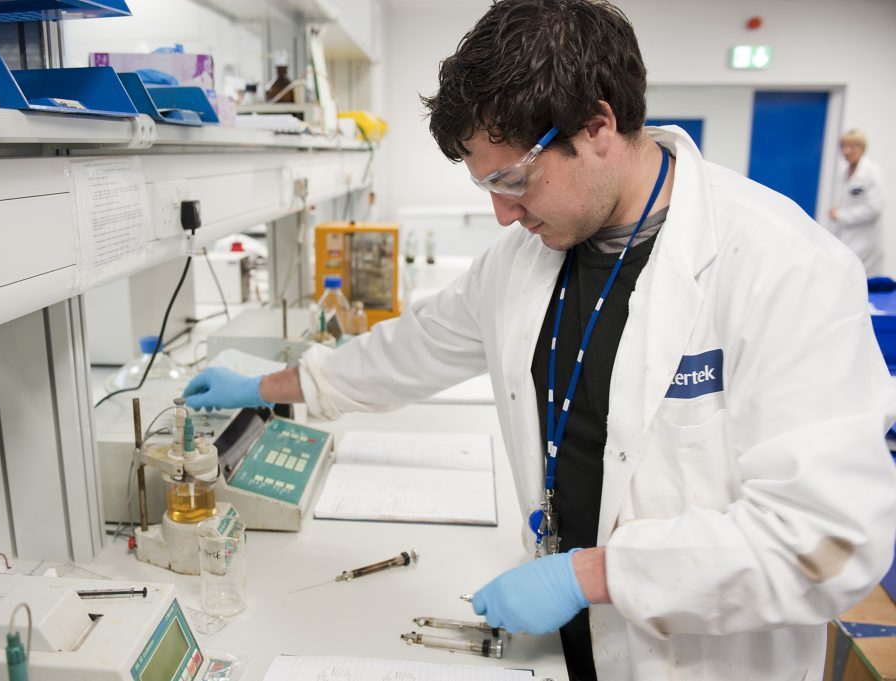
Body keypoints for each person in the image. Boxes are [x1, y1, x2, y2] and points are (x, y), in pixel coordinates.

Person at [183, 1, 896, 678]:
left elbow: (827, 538)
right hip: (565, 641)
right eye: (485, 186)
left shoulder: (783, 267)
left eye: (514, 179)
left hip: (699, 656)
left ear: (597, 125)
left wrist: (591, 572)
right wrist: (269, 386)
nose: (501, 214)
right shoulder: (525, 257)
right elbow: (412, 349)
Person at [828, 129, 887, 275]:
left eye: (852, 146)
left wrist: (841, 215)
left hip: (865, 243)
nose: (847, 151)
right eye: (843, 146)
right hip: (845, 239)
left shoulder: (871, 172)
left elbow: (874, 209)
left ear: (862, 148)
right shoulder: (843, 173)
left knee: (862, 284)